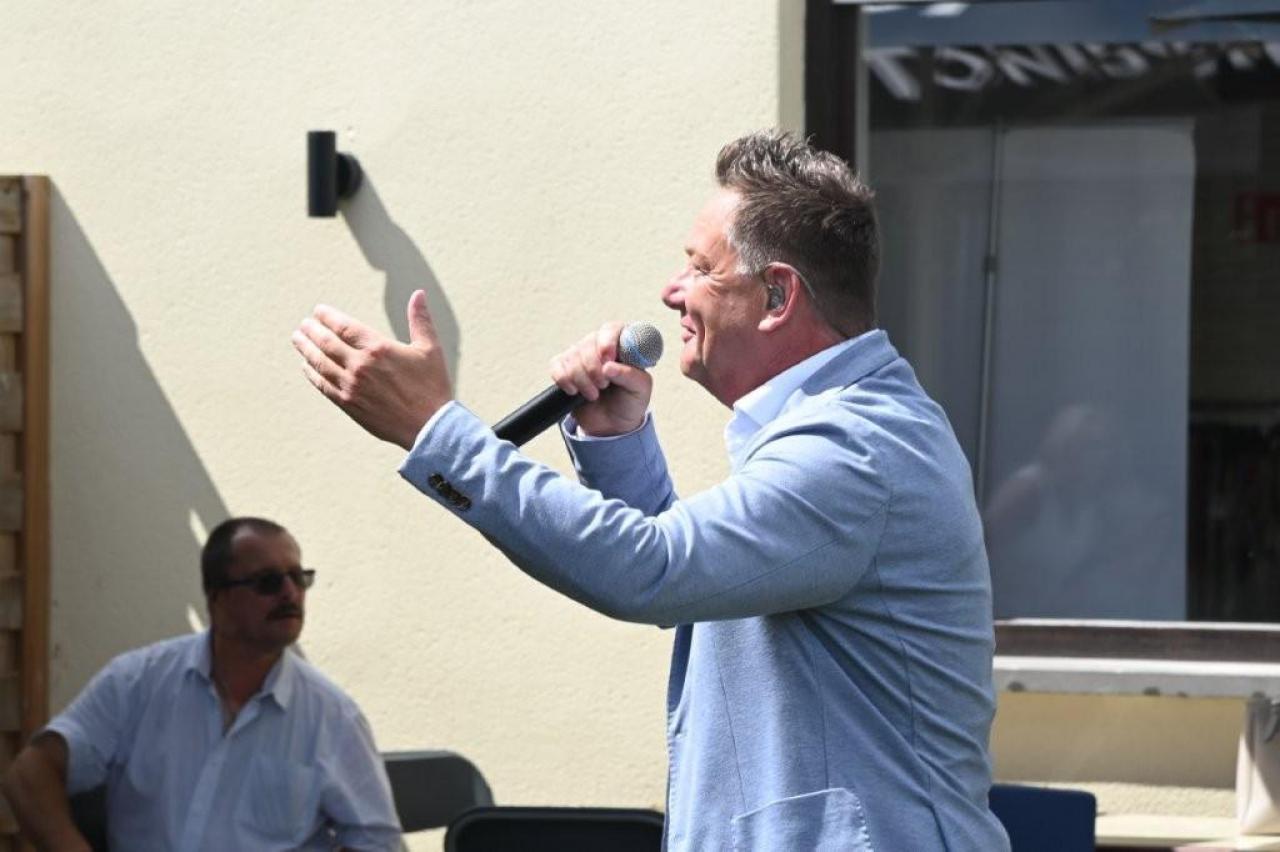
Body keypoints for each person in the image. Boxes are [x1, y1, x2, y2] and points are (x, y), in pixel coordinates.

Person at [291, 130, 1009, 850]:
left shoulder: (856, 447)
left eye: (700, 268)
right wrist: (615, 441)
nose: (671, 292)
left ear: (778, 295)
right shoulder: (839, 430)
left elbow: (654, 571)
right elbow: (696, 584)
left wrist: (436, 430)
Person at [2, 517, 401, 851]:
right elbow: (28, 775)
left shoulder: (333, 716)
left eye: (299, 578)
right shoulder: (137, 682)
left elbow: (377, 842)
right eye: (268, 582)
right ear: (216, 597)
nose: (290, 593)